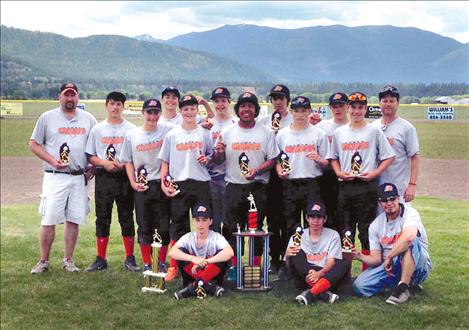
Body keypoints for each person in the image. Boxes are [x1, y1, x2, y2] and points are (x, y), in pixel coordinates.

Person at [30, 82, 97, 274]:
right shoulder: (47, 118)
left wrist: (93, 165)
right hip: (55, 176)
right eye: (66, 95)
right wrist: (52, 160)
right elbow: (34, 144)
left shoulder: (88, 119)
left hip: (78, 176)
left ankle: (68, 260)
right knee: (49, 219)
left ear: (77, 97)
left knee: (74, 219)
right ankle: (43, 261)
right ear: (60, 96)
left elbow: (96, 145)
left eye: (73, 95)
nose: (69, 98)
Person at [214, 91, 279, 281]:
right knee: (231, 228)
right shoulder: (228, 132)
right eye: (243, 106)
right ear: (238, 109)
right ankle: (234, 267)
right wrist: (218, 153)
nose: (246, 109)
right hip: (234, 186)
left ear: (256, 109)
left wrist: (257, 171)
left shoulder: (265, 132)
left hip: (257, 187)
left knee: (256, 229)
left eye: (250, 106)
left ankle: (254, 267)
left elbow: (273, 159)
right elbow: (219, 159)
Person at [328, 92, 395, 270]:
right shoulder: (339, 132)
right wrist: (338, 172)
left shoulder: (374, 131)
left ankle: (367, 272)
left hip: (366, 186)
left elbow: (389, 157)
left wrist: (375, 173)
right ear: (348, 108)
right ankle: (344, 273)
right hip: (346, 186)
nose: (357, 111)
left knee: (366, 231)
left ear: (365, 109)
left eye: (360, 107)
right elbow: (333, 157)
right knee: (346, 231)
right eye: (354, 107)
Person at [159, 94, 214, 281]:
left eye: (192, 108)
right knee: (178, 226)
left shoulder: (205, 133)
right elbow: (165, 162)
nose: (189, 112)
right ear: (180, 111)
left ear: (196, 111)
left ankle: (205, 266)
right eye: (185, 109)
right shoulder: (172, 135)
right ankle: (174, 267)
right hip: (179, 184)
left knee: (203, 225)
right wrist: (163, 182)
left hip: (200, 184)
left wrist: (207, 159)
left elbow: (211, 157)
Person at [84, 91, 139, 272]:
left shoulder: (131, 129)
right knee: (102, 217)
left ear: (123, 107)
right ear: (106, 105)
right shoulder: (98, 129)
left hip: (124, 177)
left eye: (119, 104)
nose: (115, 107)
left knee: (126, 216)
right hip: (104, 176)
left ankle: (130, 258)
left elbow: (134, 156)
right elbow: (90, 156)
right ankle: (101, 258)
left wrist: (124, 165)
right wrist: (104, 163)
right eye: (112, 103)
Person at [276, 96, 328, 279]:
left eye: (304, 110)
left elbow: (327, 163)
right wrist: (280, 170)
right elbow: (278, 160)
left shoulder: (318, 134)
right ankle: (290, 265)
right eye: (296, 111)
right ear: (291, 112)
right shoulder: (282, 134)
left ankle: (312, 263)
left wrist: (319, 159)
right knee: (290, 225)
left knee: (312, 225)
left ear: (309, 111)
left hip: (312, 183)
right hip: (291, 183)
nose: (300, 114)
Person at [352, 183, 431, 305]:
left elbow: (409, 237)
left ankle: (403, 287)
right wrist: (359, 256)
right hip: (391, 267)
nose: (389, 203)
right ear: (380, 203)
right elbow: (377, 259)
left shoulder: (410, 213)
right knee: (359, 286)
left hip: (419, 264)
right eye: (384, 200)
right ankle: (404, 284)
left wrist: (390, 256)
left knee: (410, 240)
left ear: (398, 199)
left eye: (392, 198)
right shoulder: (375, 225)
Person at [119, 98, 174, 272]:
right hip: (142, 186)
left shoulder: (168, 131)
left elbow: (189, 129)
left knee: (163, 226)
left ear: (160, 113)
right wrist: (133, 182)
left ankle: (161, 262)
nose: (152, 116)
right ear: (142, 113)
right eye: (149, 112)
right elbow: (127, 161)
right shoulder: (132, 135)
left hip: (161, 184)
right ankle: (147, 263)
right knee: (144, 225)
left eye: (156, 112)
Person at [286, 200, 350, 305]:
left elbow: (331, 262)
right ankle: (323, 293)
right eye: (312, 217)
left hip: (326, 274)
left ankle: (310, 294)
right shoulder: (297, 236)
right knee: (295, 253)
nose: (315, 221)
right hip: (305, 276)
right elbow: (290, 267)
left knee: (343, 263)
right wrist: (287, 257)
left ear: (324, 219)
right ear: (307, 218)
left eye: (319, 217)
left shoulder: (333, 235)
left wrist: (319, 273)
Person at [258, 84, 293, 276]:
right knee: (272, 221)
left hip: (290, 176)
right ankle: (274, 259)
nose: (278, 102)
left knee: (288, 220)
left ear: (287, 100)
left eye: (281, 98)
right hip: (270, 176)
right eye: (274, 98)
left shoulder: (293, 119)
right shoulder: (263, 121)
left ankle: (289, 258)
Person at [169, 202, 234, 300]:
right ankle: (209, 287)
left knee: (222, 256)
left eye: (204, 220)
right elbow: (172, 252)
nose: (200, 224)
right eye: (197, 220)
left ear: (210, 221)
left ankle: (192, 288)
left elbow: (230, 253)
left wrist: (205, 262)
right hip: (192, 273)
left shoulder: (216, 237)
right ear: (193, 221)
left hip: (212, 274)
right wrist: (193, 258)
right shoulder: (188, 237)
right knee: (181, 253)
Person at [371, 85, 420, 203]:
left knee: (400, 219)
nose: (388, 104)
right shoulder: (373, 126)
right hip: (375, 186)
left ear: (398, 103)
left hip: (399, 187)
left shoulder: (406, 127)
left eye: (392, 101)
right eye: (385, 100)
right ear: (379, 103)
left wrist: (412, 185)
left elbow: (414, 157)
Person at [316, 92, 349, 231]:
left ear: (347, 106)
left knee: (344, 215)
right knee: (327, 213)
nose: (338, 109)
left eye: (341, 105)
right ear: (330, 108)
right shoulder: (322, 126)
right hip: (326, 175)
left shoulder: (353, 125)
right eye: (334, 106)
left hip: (347, 174)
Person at [207, 87, 237, 233]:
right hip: (211, 178)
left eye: (223, 100)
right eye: (216, 101)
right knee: (213, 220)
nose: (220, 104)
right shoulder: (207, 124)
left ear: (229, 102)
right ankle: (215, 253)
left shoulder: (236, 123)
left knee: (230, 220)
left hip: (230, 178)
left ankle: (230, 255)